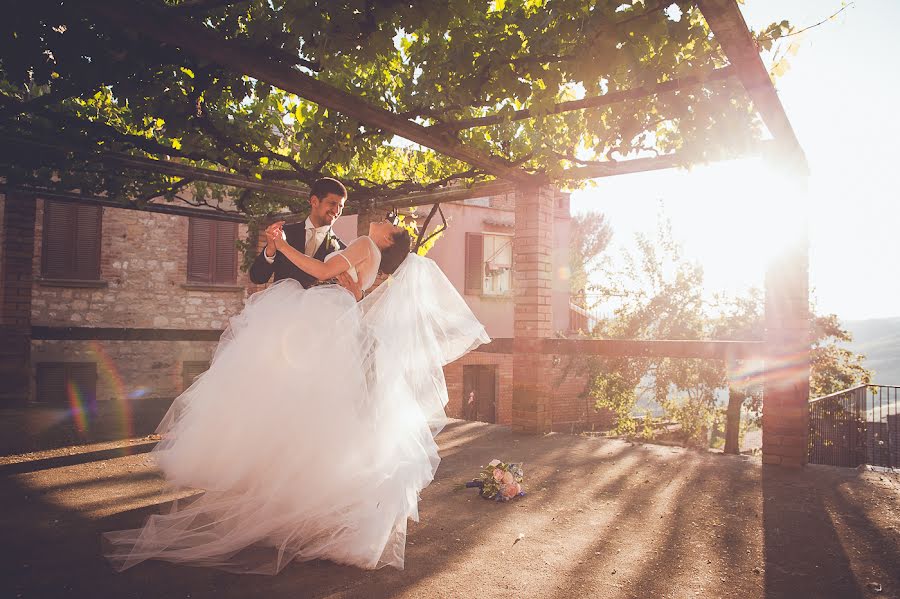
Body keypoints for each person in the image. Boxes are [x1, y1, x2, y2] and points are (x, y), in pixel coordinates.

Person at [104, 216, 490, 574]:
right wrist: (348, 285)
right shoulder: (370, 256)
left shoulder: (364, 244)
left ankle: (291, 496)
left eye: (390, 224)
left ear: (388, 239)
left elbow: (322, 271)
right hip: (335, 321)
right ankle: (303, 500)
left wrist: (282, 245)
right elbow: (352, 290)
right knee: (316, 413)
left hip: (323, 322)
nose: (384, 220)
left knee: (295, 404)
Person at [248, 177, 361, 299]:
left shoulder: (342, 251)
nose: (337, 211)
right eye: (332, 203)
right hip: (279, 312)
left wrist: (357, 294)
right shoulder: (284, 234)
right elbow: (257, 277)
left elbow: (353, 293)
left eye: (341, 206)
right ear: (314, 201)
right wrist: (270, 250)